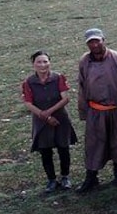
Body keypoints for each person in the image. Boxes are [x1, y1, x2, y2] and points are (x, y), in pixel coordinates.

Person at [77, 28, 117, 192]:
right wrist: (84, 111)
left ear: (104, 40)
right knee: (94, 145)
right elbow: (82, 86)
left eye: (97, 40)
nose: (95, 44)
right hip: (96, 111)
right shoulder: (84, 61)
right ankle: (91, 178)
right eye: (91, 42)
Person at [22, 50, 78, 193]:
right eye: (39, 62)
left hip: (60, 119)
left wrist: (50, 112)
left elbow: (65, 98)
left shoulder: (58, 78)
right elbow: (28, 103)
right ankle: (51, 179)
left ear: (50, 62)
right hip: (41, 121)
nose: (42, 65)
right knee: (45, 150)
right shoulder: (29, 82)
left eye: (45, 61)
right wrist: (45, 116)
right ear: (33, 64)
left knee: (63, 148)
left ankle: (65, 177)